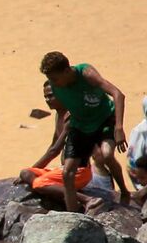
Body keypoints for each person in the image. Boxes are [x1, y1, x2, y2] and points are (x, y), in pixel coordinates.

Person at [37, 52, 130, 212]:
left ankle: (124, 191)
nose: (53, 83)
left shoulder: (86, 74)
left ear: (67, 71)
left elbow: (118, 95)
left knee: (107, 154)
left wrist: (119, 127)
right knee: (67, 172)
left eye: (55, 78)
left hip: (104, 119)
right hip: (81, 125)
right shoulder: (56, 87)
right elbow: (61, 116)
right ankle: (73, 215)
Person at [18, 164, 98, 212]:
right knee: (25, 172)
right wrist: (34, 172)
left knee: (38, 183)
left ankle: (87, 199)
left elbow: (54, 150)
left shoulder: (70, 135)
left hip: (77, 172)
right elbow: (52, 151)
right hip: (62, 169)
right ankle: (50, 186)